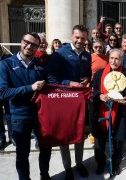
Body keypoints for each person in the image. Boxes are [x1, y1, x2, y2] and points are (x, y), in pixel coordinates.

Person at [0, 32, 52, 180]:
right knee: (22, 154)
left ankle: (44, 174)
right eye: (27, 42)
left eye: (34, 44)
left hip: (40, 116)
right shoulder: (6, 64)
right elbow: (3, 93)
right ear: (21, 42)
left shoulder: (40, 66)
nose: (29, 46)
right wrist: (30, 87)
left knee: (46, 148)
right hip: (19, 117)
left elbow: (52, 84)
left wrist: (72, 85)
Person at [48, 24, 91, 179]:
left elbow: (87, 75)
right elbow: (50, 77)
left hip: (79, 101)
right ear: (72, 36)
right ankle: (67, 167)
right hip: (63, 100)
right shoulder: (60, 53)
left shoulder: (87, 55)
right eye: (77, 37)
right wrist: (68, 83)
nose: (80, 40)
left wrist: (87, 79)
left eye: (83, 38)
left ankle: (79, 163)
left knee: (79, 132)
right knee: (64, 135)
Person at [92, 48, 126, 176]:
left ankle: (116, 164)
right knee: (100, 140)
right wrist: (99, 96)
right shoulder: (99, 74)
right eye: (111, 58)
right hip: (102, 110)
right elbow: (92, 91)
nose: (113, 61)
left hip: (120, 112)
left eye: (117, 58)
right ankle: (100, 163)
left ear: (121, 60)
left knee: (118, 140)